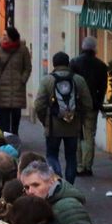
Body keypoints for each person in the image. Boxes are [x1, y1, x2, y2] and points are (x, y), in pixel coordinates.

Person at [33, 51, 93, 186]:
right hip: (73, 126)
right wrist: (79, 118)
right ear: (68, 63)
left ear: (54, 64)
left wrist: (45, 120)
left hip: (53, 126)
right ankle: (69, 185)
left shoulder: (47, 80)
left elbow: (38, 105)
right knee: (71, 157)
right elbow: (88, 103)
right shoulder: (78, 80)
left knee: (52, 155)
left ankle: (58, 180)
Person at [70, 36, 109, 177]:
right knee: (89, 136)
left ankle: (79, 165)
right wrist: (98, 102)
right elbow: (103, 87)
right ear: (94, 49)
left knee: (77, 135)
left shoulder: (74, 63)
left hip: (76, 105)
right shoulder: (101, 65)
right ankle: (87, 166)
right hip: (92, 105)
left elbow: (70, 84)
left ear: (83, 47)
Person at [20, 160, 92, 224]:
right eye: (26, 187)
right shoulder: (44, 202)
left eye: (36, 185)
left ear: (51, 181)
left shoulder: (69, 207)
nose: (30, 191)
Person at [0, 27, 31, 134]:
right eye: (3, 35)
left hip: (17, 88)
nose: (3, 37)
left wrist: (23, 79)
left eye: (5, 35)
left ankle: (15, 136)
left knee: (16, 116)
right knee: (4, 117)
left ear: (12, 36)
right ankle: (5, 137)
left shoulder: (23, 50)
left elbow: (27, 67)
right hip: (2, 88)